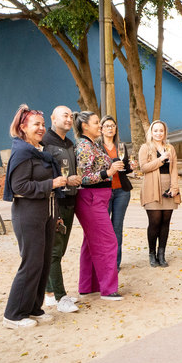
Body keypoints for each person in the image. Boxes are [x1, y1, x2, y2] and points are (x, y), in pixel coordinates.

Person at [2, 105, 70, 329]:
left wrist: (57, 215)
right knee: (31, 263)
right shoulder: (21, 152)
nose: (41, 128)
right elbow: (18, 186)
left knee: (42, 263)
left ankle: (33, 308)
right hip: (28, 215)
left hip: (47, 213)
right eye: (36, 124)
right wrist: (51, 183)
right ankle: (13, 314)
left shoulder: (40, 150)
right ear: (23, 127)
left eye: (42, 124)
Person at [75, 111, 125, 300]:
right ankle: (108, 289)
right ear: (85, 126)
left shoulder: (92, 145)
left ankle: (88, 285)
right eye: (96, 122)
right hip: (91, 198)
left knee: (90, 243)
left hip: (99, 197)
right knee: (108, 241)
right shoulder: (84, 147)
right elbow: (84, 178)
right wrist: (108, 172)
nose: (100, 125)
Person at [42, 106, 81, 314]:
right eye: (64, 115)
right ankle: (60, 296)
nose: (69, 119)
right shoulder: (45, 143)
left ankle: (49, 294)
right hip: (55, 202)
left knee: (60, 250)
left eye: (70, 116)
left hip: (70, 200)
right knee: (55, 251)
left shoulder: (69, 143)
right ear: (53, 118)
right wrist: (65, 180)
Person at [139, 120, 181, 267]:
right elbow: (144, 167)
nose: (158, 133)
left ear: (165, 132)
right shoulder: (145, 147)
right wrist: (161, 159)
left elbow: (174, 168)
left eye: (161, 131)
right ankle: (151, 253)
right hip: (151, 186)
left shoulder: (170, 148)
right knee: (155, 221)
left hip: (168, 185)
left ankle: (161, 253)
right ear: (151, 132)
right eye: (155, 130)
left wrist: (174, 186)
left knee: (165, 222)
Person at [100, 116, 134, 268]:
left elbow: (124, 168)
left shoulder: (121, 146)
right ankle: (104, 261)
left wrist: (130, 167)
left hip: (122, 191)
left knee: (117, 227)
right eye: (107, 126)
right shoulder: (96, 147)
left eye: (112, 126)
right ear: (101, 129)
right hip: (104, 191)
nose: (110, 128)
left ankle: (116, 263)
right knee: (104, 229)